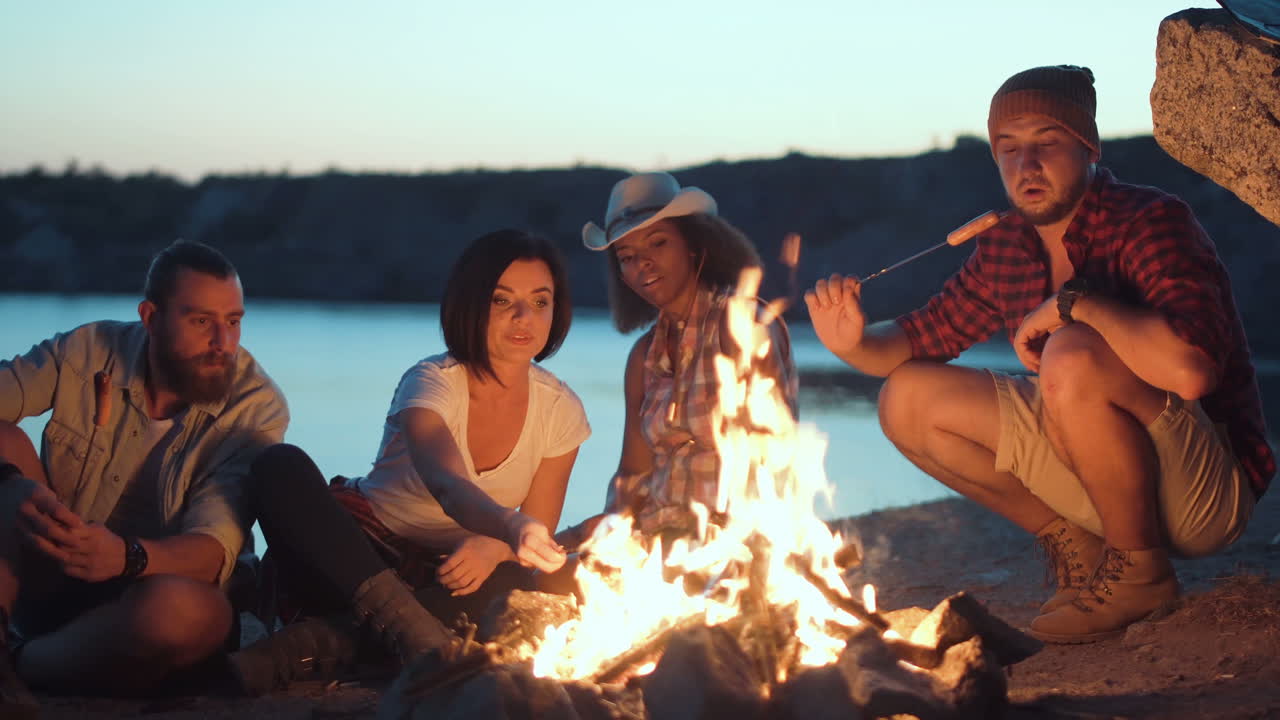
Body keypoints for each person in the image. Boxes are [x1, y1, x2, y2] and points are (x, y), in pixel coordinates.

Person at [805, 65, 1273, 643]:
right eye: (1008, 149)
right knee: (905, 398)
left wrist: (1073, 305)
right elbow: (913, 341)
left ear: (1087, 147)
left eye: (1047, 142)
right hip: (1100, 478)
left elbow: (1190, 372)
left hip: (1205, 490)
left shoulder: (1150, 219)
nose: (1026, 165)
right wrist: (851, 342)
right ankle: (1080, 545)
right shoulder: (1006, 245)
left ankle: (1140, 572)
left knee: (1072, 351)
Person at [230, 229, 590, 695]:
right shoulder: (431, 382)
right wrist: (504, 528)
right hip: (354, 558)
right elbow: (447, 483)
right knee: (278, 465)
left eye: (541, 302)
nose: (525, 317)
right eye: (503, 301)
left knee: (568, 578)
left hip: (449, 577)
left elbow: (536, 526)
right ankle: (415, 638)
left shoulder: (560, 409)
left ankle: (315, 645)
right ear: (470, 304)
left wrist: (495, 546)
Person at [0, 240, 289, 714]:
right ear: (151, 317)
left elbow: (215, 547)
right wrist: (19, 492)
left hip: (153, 589)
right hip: (57, 563)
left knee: (185, 614)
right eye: (202, 322)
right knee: (4, 442)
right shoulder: (88, 350)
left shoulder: (255, 407)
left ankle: (21, 664)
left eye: (233, 322)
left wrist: (126, 557)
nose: (224, 343)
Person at [580, 171, 798, 542]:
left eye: (658, 244)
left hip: (731, 539)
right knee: (543, 565)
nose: (642, 264)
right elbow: (632, 472)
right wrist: (606, 537)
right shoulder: (642, 357)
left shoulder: (744, 326)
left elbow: (769, 452)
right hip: (652, 533)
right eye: (627, 256)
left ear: (695, 245)